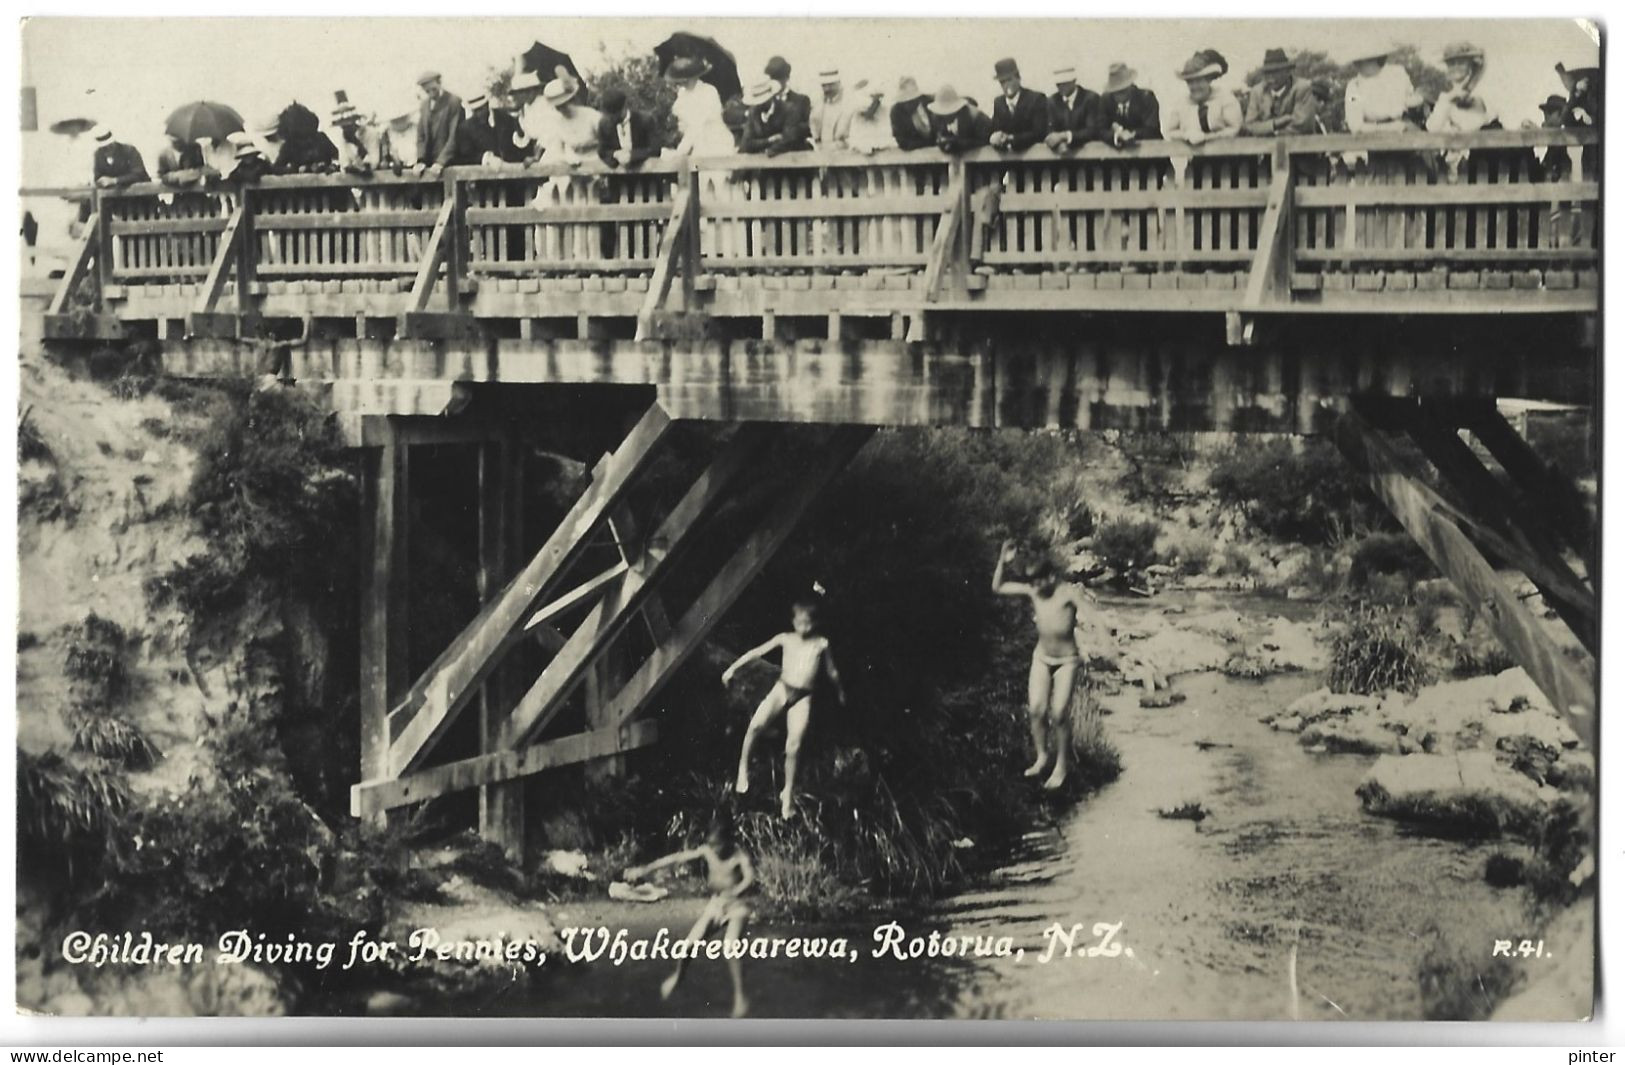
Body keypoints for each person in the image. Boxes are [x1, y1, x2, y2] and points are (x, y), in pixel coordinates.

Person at [723, 589, 847, 820]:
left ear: (815, 622)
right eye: (799, 623)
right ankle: (742, 770)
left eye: (807, 623)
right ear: (793, 621)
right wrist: (732, 669)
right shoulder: (785, 638)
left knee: (794, 745)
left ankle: (787, 793)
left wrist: (840, 691)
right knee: (756, 726)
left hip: (803, 696)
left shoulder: (821, 643)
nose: (803, 628)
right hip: (782, 689)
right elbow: (755, 652)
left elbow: (832, 671)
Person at [623, 814, 754, 1018]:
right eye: (712, 843)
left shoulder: (739, 855)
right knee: (687, 945)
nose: (715, 848)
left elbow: (749, 878)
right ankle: (678, 977)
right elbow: (675, 858)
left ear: (729, 840)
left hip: (737, 907)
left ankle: (740, 997)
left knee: (730, 947)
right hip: (716, 904)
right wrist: (645, 869)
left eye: (719, 844)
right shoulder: (707, 851)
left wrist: (736, 891)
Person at [993, 540, 1097, 791]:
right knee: (1037, 710)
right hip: (1041, 658)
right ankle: (1042, 757)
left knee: (1059, 712)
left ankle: (1061, 766)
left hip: (1067, 661)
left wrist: (1109, 648)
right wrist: (1002, 561)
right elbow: (997, 587)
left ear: (1051, 576)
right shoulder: (1033, 590)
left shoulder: (1069, 593)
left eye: (1039, 581)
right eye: (1031, 582)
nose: (1035, 587)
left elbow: (1095, 618)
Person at [1427, 41, 1498, 180]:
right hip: (1452, 162)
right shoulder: (1445, 97)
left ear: (1471, 66)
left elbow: (1478, 122)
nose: (1455, 68)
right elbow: (1432, 128)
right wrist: (1448, 101)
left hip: (1479, 160)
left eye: (1461, 63)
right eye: (1451, 64)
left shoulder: (1480, 93)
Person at [1164, 50, 1242, 144]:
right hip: (1197, 155)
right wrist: (1186, 135)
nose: (1195, 86)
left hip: (1226, 154)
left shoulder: (1225, 99)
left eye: (1199, 81)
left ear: (1208, 80)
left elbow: (1234, 129)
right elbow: (1170, 131)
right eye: (1190, 82)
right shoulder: (1182, 104)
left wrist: (1207, 137)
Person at [740, 56, 813, 155]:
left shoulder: (797, 103)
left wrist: (771, 147)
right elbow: (746, 143)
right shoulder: (754, 112)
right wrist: (769, 141)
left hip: (793, 159)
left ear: (786, 78)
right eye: (773, 78)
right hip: (763, 163)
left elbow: (793, 136)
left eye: (779, 78)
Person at [666, 56, 736, 158]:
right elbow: (683, 123)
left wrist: (680, 152)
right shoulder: (683, 94)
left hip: (717, 144)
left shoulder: (708, 92)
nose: (681, 83)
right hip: (699, 145)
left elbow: (695, 127)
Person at [1242, 48, 1321, 137]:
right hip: (1265, 148)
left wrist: (1266, 131)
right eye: (1268, 73)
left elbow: (1302, 125)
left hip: (1299, 146)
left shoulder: (1302, 88)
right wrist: (1275, 124)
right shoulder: (1257, 91)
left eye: (1276, 72)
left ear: (1287, 72)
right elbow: (1250, 125)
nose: (1271, 77)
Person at [526, 75, 603, 164]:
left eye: (564, 105)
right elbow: (556, 148)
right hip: (572, 164)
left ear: (572, 100)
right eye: (557, 107)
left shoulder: (592, 116)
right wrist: (537, 158)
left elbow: (608, 144)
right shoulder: (557, 121)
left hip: (596, 162)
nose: (561, 110)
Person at [1343, 47, 1420, 134]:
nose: (1357, 65)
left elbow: (1411, 97)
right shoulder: (1354, 87)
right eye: (1356, 61)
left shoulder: (1398, 73)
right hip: (1376, 136)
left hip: (1406, 128)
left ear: (1379, 59)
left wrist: (1417, 99)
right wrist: (1389, 128)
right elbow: (1355, 126)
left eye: (1366, 60)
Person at [989, 57, 1050, 152]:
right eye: (1002, 82)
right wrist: (994, 137)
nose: (1006, 85)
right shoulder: (999, 102)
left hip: (1034, 159)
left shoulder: (1036, 98)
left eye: (1009, 80)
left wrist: (1011, 138)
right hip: (1007, 160)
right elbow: (995, 128)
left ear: (1018, 78)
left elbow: (1040, 132)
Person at [453, 92, 529, 166]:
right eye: (475, 111)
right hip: (483, 176)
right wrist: (485, 158)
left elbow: (521, 147)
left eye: (481, 109)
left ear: (487, 104)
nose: (478, 114)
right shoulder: (465, 129)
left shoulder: (507, 119)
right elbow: (465, 157)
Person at [1095, 62, 1161, 147]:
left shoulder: (1146, 98)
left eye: (1122, 91)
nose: (1119, 97)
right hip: (1117, 154)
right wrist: (1116, 136)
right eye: (1115, 92)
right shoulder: (1106, 99)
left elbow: (1152, 129)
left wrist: (1132, 134)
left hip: (1149, 153)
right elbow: (1100, 129)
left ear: (1130, 86)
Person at [1554, 60, 1600, 178]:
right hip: (1585, 152)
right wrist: (1575, 93)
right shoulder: (1576, 101)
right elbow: (1564, 119)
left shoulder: (1595, 98)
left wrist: (1589, 118)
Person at [595, 88, 660, 168]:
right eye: (608, 115)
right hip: (616, 177)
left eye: (614, 115)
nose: (610, 119)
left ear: (624, 108)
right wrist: (615, 154)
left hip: (646, 175)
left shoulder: (645, 120)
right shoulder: (604, 124)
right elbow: (602, 151)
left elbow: (655, 149)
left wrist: (632, 155)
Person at [414, 70, 462, 175]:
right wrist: (421, 160)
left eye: (434, 90)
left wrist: (441, 162)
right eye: (427, 91)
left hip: (449, 163)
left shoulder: (453, 101)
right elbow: (420, 136)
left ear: (439, 83)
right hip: (429, 164)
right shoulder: (424, 105)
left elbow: (454, 136)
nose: (431, 94)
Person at [272, 101, 338, 174]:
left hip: (327, 181)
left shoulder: (321, 138)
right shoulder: (289, 146)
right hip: (302, 183)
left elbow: (335, 155)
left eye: (309, 136)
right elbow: (276, 168)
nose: (306, 141)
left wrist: (332, 166)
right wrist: (294, 170)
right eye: (300, 138)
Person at [331, 90, 386, 176]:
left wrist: (358, 144)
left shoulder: (371, 133)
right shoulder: (343, 136)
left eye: (348, 124)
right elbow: (344, 163)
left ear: (355, 122)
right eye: (342, 125)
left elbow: (374, 163)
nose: (345, 128)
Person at [1045, 66, 1099, 152]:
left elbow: (1092, 131)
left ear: (1074, 81)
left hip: (1089, 155)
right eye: (1058, 84)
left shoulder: (1090, 98)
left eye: (1065, 83)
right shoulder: (1052, 101)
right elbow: (1050, 130)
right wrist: (1058, 143)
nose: (1061, 87)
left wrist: (1065, 136)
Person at [927, 84, 991, 154]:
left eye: (949, 111)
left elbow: (986, 141)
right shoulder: (936, 117)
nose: (946, 116)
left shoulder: (976, 117)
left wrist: (959, 144)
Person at [846, 80, 895, 153]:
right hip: (859, 150)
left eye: (877, 99)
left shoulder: (885, 110)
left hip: (884, 150)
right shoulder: (857, 108)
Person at [811, 68, 854, 150]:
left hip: (845, 155)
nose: (827, 89)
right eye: (824, 85)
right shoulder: (817, 105)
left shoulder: (850, 103)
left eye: (830, 85)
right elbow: (814, 132)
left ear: (839, 83)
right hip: (821, 154)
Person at [890, 76, 936, 151]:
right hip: (916, 151)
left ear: (918, 98)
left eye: (912, 100)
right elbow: (902, 142)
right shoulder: (896, 112)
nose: (908, 104)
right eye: (905, 101)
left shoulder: (930, 103)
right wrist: (929, 143)